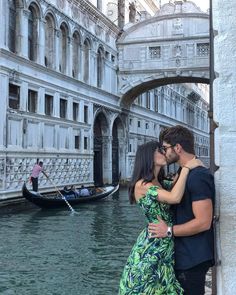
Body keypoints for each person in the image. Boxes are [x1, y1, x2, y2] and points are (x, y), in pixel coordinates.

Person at [119, 141, 203, 294]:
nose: (164, 152)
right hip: (153, 245)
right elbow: (174, 198)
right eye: (160, 150)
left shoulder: (161, 183)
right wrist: (186, 168)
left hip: (165, 243)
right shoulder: (142, 185)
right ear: (148, 156)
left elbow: (178, 188)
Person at [148, 125, 215, 295]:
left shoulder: (198, 176)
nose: (164, 152)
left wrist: (168, 230)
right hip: (183, 256)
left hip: (192, 258)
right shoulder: (183, 173)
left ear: (177, 148)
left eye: (165, 148)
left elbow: (203, 222)